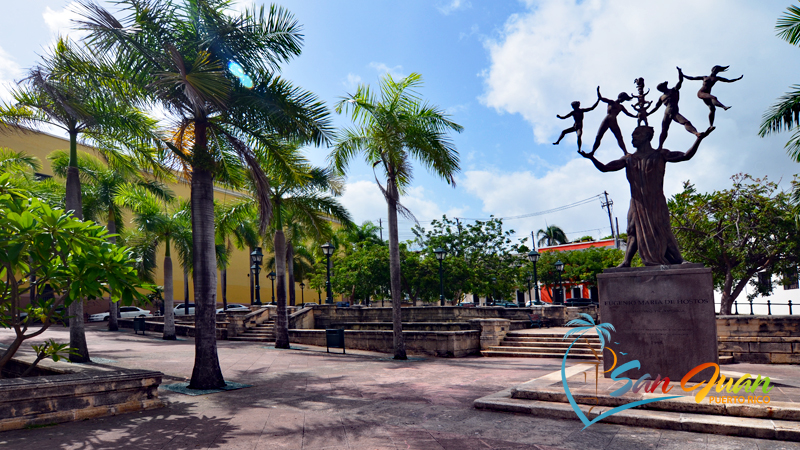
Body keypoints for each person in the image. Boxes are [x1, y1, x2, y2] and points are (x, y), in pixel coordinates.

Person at [578, 125, 714, 266]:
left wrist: (698, 140)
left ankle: (679, 259)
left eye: (637, 134)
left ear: (647, 136)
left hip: (656, 201)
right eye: (632, 135)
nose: (633, 138)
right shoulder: (628, 159)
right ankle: (626, 261)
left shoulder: (660, 154)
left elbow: (685, 156)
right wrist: (592, 158)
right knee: (632, 230)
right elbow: (605, 168)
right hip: (637, 202)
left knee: (663, 228)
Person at [648, 68, 700, 149]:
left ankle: (660, 146)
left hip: (667, 112)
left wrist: (648, 113)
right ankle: (696, 133)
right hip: (672, 110)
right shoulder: (673, 90)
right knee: (686, 122)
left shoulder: (662, 97)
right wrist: (680, 72)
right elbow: (680, 81)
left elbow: (656, 107)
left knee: (664, 130)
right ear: (663, 87)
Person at [591, 87, 636, 155]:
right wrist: (598, 91)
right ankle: (592, 152)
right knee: (599, 136)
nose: (623, 100)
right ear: (619, 97)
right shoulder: (611, 102)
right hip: (607, 119)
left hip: (614, 121)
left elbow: (628, 113)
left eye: (624, 99)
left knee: (619, 137)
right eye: (623, 99)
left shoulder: (621, 107)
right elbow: (601, 98)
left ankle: (625, 152)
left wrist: (635, 116)